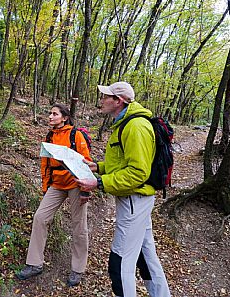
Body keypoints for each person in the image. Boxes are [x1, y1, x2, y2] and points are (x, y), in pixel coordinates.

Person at [76, 82, 171, 297]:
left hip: (134, 201)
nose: (101, 101)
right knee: (146, 257)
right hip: (136, 201)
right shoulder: (124, 123)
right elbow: (123, 162)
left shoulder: (135, 127)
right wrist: (98, 167)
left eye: (105, 97)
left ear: (118, 101)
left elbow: (138, 173)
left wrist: (99, 182)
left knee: (119, 264)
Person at [16, 103, 92, 287]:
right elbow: (45, 164)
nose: (50, 117)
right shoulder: (49, 136)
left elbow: (86, 162)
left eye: (54, 114)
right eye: (50, 113)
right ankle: (35, 264)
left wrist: (85, 190)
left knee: (78, 225)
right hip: (56, 184)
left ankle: (78, 269)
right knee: (40, 217)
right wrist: (45, 187)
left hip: (76, 183)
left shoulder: (76, 135)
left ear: (64, 117)